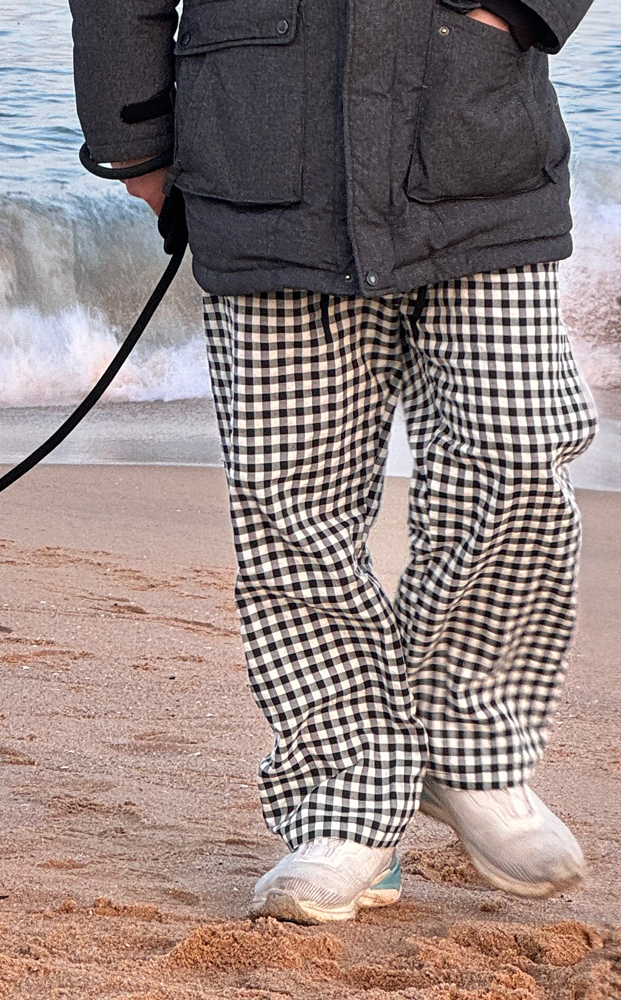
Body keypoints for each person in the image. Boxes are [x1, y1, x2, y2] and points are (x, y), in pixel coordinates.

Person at [69, 0, 599, 924]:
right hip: (263, 155)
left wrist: (512, 10)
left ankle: (467, 749)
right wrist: (133, 137)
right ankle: (348, 805)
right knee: (294, 515)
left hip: (479, 142)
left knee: (518, 455)